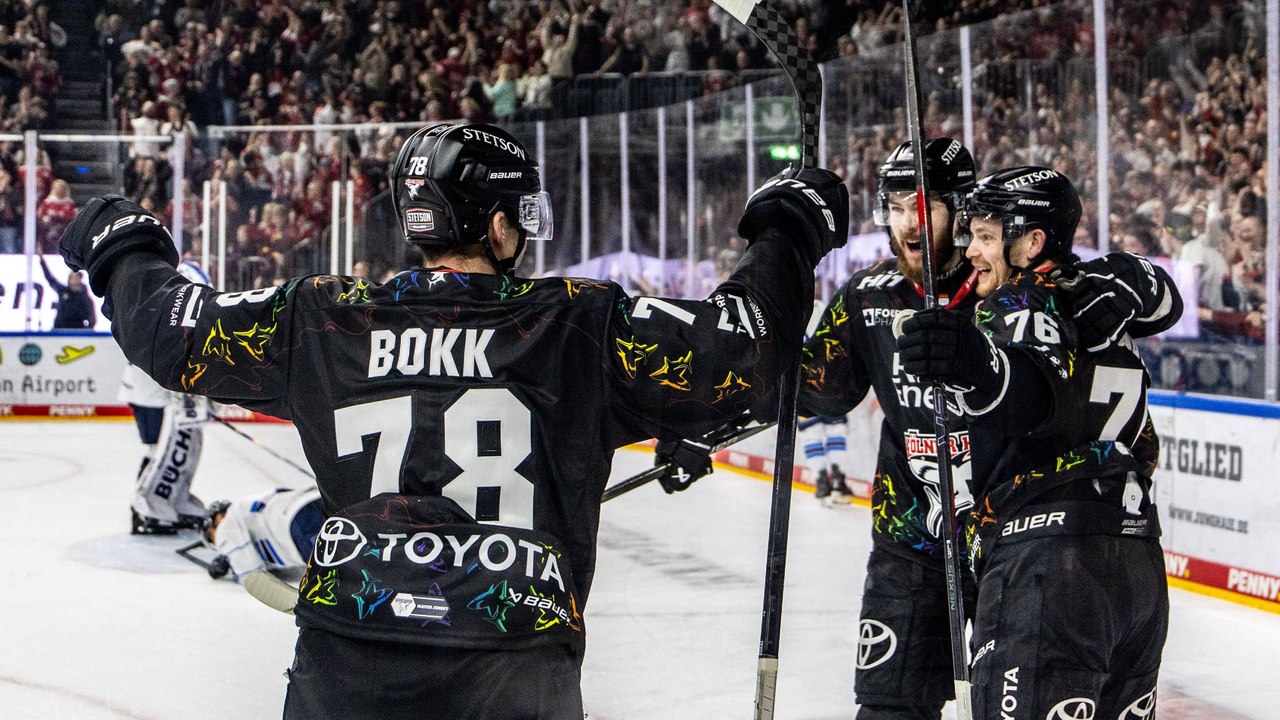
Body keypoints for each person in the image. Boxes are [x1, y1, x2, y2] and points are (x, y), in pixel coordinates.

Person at [59, 121, 847, 719]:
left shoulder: (325, 319)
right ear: (498, 225)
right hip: (512, 660)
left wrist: (124, 242)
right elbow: (742, 351)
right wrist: (787, 228)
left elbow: (170, 330)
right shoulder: (577, 323)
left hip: (350, 656)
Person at [796, 141, 1182, 719]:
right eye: (895, 207)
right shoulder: (871, 297)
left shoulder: (1019, 295)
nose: (908, 224)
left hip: (1027, 538)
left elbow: (1032, 387)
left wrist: (1128, 277)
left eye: (924, 208)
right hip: (923, 539)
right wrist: (712, 408)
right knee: (889, 709)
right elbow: (812, 387)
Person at [118, 260, 213, 534]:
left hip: (154, 388)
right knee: (159, 449)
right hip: (150, 390)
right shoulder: (169, 297)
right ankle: (146, 508)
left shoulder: (165, 287)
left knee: (182, 444)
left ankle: (169, 500)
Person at [201, 486, 325, 581]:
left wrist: (233, 570)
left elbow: (252, 576)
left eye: (211, 536)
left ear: (218, 517)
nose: (216, 542)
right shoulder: (246, 510)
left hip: (297, 522)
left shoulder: (227, 525)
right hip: (318, 499)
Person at [37, 255, 96, 329]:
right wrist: (42, 260)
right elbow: (50, 278)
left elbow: (92, 318)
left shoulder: (85, 298)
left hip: (76, 333)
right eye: (71, 277)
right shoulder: (63, 291)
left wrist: (86, 332)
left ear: (80, 280)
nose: (73, 280)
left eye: (75, 278)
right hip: (59, 330)